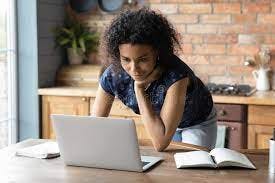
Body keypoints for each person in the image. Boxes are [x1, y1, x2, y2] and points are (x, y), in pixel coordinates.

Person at [92, 8, 217, 151]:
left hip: (196, 122)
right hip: (161, 124)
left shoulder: (176, 76)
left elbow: (160, 142)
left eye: (143, 59)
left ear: (157, 52)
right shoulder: (112, 74)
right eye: (126, 59)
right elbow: (95, 125)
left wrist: (139, 90)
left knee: (193, 168)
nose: (134, 69)